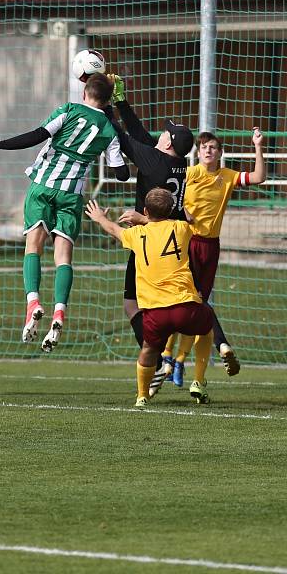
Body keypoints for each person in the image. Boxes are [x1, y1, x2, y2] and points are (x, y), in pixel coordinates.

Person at [0, 73, 130, 352]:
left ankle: (33, 302)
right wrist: (114, 138)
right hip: (72, 196)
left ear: (85, 92)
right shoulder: (109, 130)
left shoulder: (69, 110)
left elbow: (38, 135)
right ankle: (60, 311)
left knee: (33, 248)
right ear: (108, 100)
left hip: (43, 187)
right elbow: (121, 174)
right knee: (63, 258)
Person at [102, 73, 195, 393]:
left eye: (165, 132)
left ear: (167, 141)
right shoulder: (176, 163)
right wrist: (120, 100)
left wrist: (99, 106)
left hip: (150, 239)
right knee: (163, 305)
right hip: (173, 240)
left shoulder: (155, 162)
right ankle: (162, 357)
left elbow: (125, 138)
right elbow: (141, 135)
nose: (161, 134)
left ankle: (156, 360)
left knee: (132, 304)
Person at [85, 189, 214, 407]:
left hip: (155, 312)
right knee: (207, 327)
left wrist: (100, 217)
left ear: (145, 210)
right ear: (172, 210)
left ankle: (141, 396)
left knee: (148, 349)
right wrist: (146, 219)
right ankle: (199, 381)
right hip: (185, 306)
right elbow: (191, 222)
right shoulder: (181, 228)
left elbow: (113, 229)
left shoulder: (136, 235)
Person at [179, 128, 266, 400]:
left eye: (213, 147)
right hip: (186, 243)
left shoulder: (226, 177)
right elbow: (168, 194)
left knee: (196, 301)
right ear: (198, 151)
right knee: (189, 300)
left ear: (220, 153)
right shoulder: (189, 174)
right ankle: (209, 349)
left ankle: (177, 361)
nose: (208, 150)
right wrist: (184, 211)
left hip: (210, 247)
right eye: (204, 147)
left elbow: (259, 177)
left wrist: (258, 146)